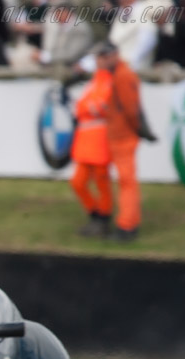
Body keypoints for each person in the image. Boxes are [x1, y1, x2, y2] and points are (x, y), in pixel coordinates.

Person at [96, 40, 146, 241]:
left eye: (102, 57)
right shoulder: (118, 74)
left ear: (112, 56)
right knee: (125, 182)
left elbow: (131, 109)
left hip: (124, 137)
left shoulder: (123, 75)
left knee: (126, 183)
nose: (99, 62)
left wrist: (135, 129)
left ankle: (127, 226)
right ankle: (126, 222)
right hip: (120, 135)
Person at [69, 56, 113, 238]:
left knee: (102, 181)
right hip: (86, 140)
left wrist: (86, 108)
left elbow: (100, 107)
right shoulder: (94, 83)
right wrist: (86, 107)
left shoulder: (109, 83)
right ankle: (94, 215)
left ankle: (103, 219)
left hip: (100, 139)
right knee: (78, 182)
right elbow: (81, 108)